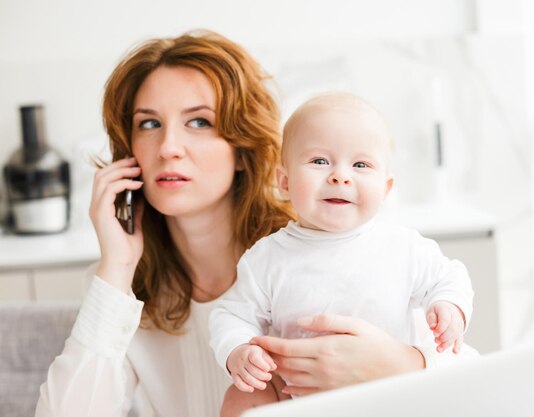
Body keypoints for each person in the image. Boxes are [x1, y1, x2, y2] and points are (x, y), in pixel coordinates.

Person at [34, 31, 473, 417]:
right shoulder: (128, 289)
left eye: (199, 122)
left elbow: (473, 382)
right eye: (149, 123)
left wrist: (401, 364)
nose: (168, 147)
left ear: (242, 146)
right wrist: (116, 268)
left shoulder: (327, 244)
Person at [209, 93, 475, 417]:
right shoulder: (267, 258)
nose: (340, 176)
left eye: (360, 164)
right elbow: (232, 314)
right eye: (320, 161)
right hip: (297, 398)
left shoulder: (403, 247)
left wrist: (449, 306)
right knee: (243, 396)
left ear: (386, 188)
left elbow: (449, 276)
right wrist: (238, 350)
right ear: (284, 182)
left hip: (386, 396)